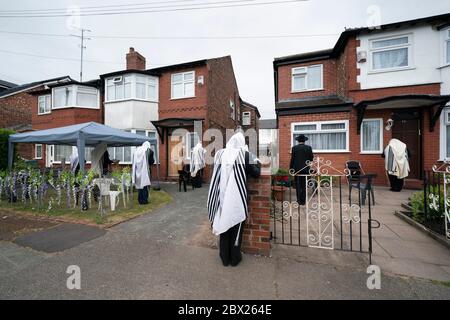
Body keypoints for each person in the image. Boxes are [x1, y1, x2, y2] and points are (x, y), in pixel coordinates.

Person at [207, 132, 261, 267]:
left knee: (224, 226)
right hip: (237, 199)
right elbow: (256, 173)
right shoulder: (244, 155)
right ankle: (235, 258)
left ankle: (224, 258)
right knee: (236, 226)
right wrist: (257, 163)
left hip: (221, 196)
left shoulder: (219, 154)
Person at [290, 134, 314, 205]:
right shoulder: (308, 148)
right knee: (304, 185)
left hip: (297, 169)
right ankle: (303, 201)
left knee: (298, 185)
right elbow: (311, 158)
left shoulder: (294, 148)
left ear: (298, 141)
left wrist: (291, 169)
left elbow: (292, 159)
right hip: (305, 169)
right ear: (304, 141)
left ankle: (299, 200)